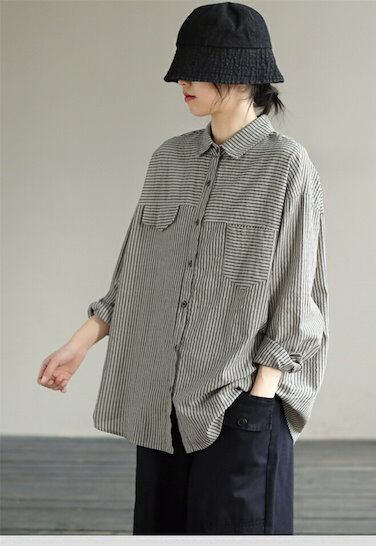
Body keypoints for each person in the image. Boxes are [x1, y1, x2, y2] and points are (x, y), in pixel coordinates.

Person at [37, 2, 329, 536]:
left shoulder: (286, 166)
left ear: (239, 75)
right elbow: (134, 274)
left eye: (194, 69)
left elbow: (298, 295)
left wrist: (259, 398)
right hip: (160, 405)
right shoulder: (168, 160)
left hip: (237, 402)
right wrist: (80, 343)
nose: (181, 82)